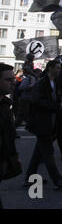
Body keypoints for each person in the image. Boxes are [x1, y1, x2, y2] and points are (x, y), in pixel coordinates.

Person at [25, 60, 62, 190]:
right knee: (48, 152)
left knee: (38, 152)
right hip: (41, 122)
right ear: (50, 68)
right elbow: (38, 101)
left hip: (50, 121)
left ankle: (29, 177)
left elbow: (52, 98)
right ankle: (57, 179)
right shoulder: (41, 83)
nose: (59, 70)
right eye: (57, 68)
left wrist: (60, 99)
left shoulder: (54, 82)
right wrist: (56, 105)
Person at [0, 63, 20, 208]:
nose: (13, 83)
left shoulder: (5, 103)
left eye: (13, 79)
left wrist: (12, 154)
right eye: (8, 80)